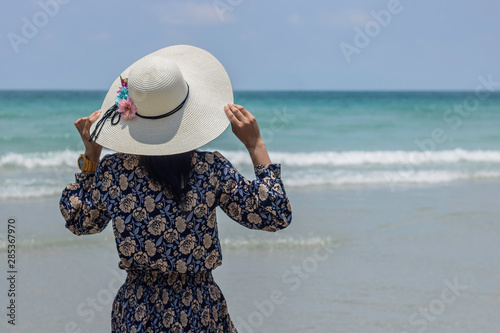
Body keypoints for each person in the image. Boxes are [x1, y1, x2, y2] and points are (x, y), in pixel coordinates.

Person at [58, 45, 292, 332]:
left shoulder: (113, 172)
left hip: (137, 311)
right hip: (199, 309)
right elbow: (275, 214)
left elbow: (80, 221)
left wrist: (91, 157)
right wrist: (255, 144)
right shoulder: (211, 169)